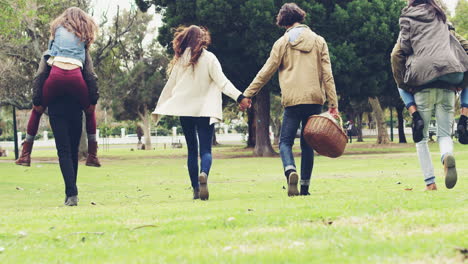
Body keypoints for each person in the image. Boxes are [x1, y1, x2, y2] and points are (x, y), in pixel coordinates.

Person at [242, 3, 339, 197]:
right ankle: (304, 188)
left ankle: (289, 169)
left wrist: (247, 94)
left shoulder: (281, 43)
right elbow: (328, 75)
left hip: (292, 100)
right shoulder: (319, 41)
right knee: (307, 144)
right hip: (314, 99)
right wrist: (333, 104)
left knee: (285, 142)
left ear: (283, 22)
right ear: (300, 17)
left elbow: (265, 72)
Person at [152, 25, 251, 200]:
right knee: (206, 150)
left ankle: (196, 190)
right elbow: (223, 82)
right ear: (202, 39)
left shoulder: (181, 60)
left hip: (185, 111)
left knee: (192, 150)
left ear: (185, 39)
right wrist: (240, 97)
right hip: (205, 111)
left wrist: (159, 109)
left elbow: (170, 87)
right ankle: (204, 173)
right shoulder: (210, 58)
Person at [392, 0, 468, 190]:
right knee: (444, 134)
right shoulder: (441, 15)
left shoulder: (407, 16)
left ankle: (430, 183)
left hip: (423, 80)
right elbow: (464, 46)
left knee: (422, 137)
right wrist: (463, 80)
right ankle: (446, 155)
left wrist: (404, 85)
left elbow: (400, 52)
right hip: (450, 79)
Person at [15, 7, 101, 168]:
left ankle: (25, 154)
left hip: (55, 78)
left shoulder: (56, 33)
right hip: (76, 79)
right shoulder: (82, 42)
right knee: (90, 112)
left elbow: (41, 73)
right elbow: (90, 75)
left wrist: (37, 99)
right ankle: (93, 155)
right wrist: (93, 99)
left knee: (37, 110)